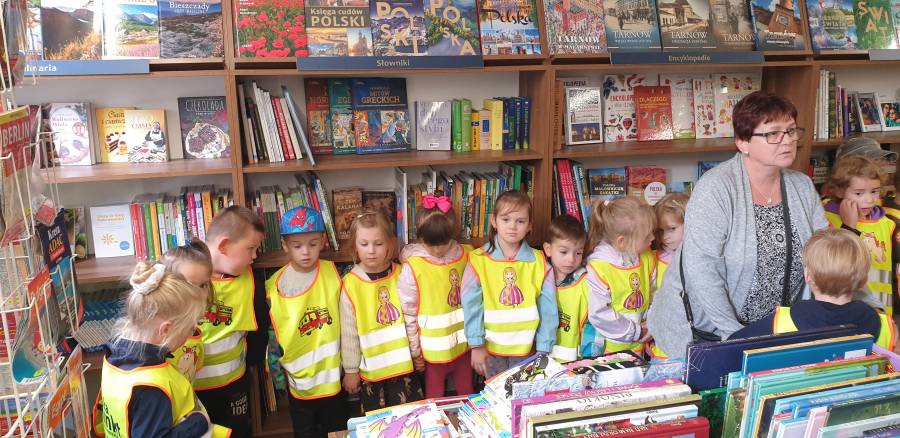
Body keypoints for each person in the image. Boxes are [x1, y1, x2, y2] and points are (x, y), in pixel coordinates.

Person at [648, 92, 830, 359]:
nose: (787, 140)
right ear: (743, 142)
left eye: (791, 130)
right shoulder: (716, 188)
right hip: (709, 333)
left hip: (775, 334)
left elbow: (827, 254)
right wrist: (735, 338)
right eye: (773, 133)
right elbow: (702, 271)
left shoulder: (801, 186)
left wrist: (856, 308)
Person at [731, 229, 898, 352]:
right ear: (864, 280)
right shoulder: (886, 327)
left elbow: (731, 345)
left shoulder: (782, 321)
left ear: (807, 275)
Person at [96, 262, 211, 437]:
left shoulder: (114, 357)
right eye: (190, 327)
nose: (192, 332)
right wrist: (198, 422)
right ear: (165, 330)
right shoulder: (152, 389)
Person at [267, 206, 346, 437]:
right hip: (299, 383)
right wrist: (277, 378)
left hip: (333, 377)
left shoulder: (335, 273)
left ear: (322, 241)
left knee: (337, 431)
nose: (306, 252)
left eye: (313, 244)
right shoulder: (275, 285)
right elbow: (273, 336)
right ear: (285, 246)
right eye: (297, 245)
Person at [462, 190, 558, 378]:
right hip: (490, 348)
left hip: (528, 348)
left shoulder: (539, 262)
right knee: (495, 390)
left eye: (520, 221)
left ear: (529, 225)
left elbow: (548, 309)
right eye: (506, 219)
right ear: (493, 221)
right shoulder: (478, 260)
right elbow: (471, 305)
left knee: (524, 391)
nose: (512, 226)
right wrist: (476, 345)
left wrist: (544, 347)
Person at [340, 209, 423, 412]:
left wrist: (419, 353)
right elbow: (348, 333)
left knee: (411, 419)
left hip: (405, 367)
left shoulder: (403, 274)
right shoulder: (350, 284)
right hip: (372, 373)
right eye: (364, 244)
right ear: (354, 246)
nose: (371, 250)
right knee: (376, 422)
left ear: (390, 244)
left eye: (378, 244)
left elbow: (415, 317)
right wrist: (350, 370)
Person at [196, 206, 268, 436]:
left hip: (235, 383)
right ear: (224, 246)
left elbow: (260, 324)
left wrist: (255, 359)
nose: (254, 256)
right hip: (193, 388)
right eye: (250, 249)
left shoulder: (250, 279)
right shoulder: (184, 275)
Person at [397, 195, 474, 399]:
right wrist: (415, 352)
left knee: (468, 394)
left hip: (465, 345)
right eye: (431, 244)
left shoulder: (467, 256)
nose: (439, 249)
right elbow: (408, 314)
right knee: (434, 399)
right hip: (432, 349)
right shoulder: (413, 267)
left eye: (444, 242)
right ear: (420, 237)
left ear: (453, 234)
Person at [823, 155, 895, 315]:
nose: (869, 200)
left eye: (874, 192)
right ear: (840, 191)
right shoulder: (826, 221)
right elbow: (834, 265)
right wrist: (848, 226)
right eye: (859, 193)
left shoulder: (888, 224)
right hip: (847, 311)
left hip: (883, 311)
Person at [585, 197, 656, 355]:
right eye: (647, 235)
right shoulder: (599, 268)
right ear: (622, 242)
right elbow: (599, 314)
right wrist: (636, 331)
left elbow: (656, 293)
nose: (653, 238)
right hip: (608, 349)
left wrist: (651, 323)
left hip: (640, 342)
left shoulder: (647, 258)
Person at [160, 241, 213, 384]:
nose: (199, 293)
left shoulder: (194, 323)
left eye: (203, 285)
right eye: (190, 285)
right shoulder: (160, 333)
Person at [543, 214, 590, 362]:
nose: (571, 259)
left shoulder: (586, 281)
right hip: (541, 357)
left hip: (575, 361)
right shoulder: (538, 277)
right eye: (564, 252)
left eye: (578, 253)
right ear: (548, 249)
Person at [653, 193, 689, 290]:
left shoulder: (696, 257)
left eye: (672, 229)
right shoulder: (654, 258)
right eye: (660, 230)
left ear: (689, 223)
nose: (665, 237)